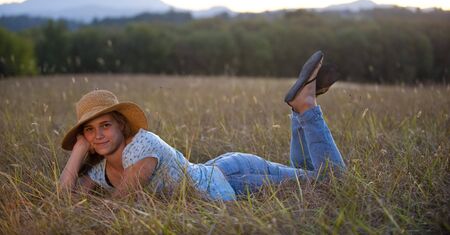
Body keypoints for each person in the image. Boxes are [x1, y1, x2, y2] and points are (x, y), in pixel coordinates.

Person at [59, 51, 346, 201]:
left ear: (121, 124)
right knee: (313, 178)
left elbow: (121, 201)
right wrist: (79, 150)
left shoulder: (142, 147)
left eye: (105, 125)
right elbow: (64, 199)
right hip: (221, 172)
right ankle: (301, 109)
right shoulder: (102, 170)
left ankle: (306, 106)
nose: (98, 135)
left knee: (331, 182)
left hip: (231, 179)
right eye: (89, 129)